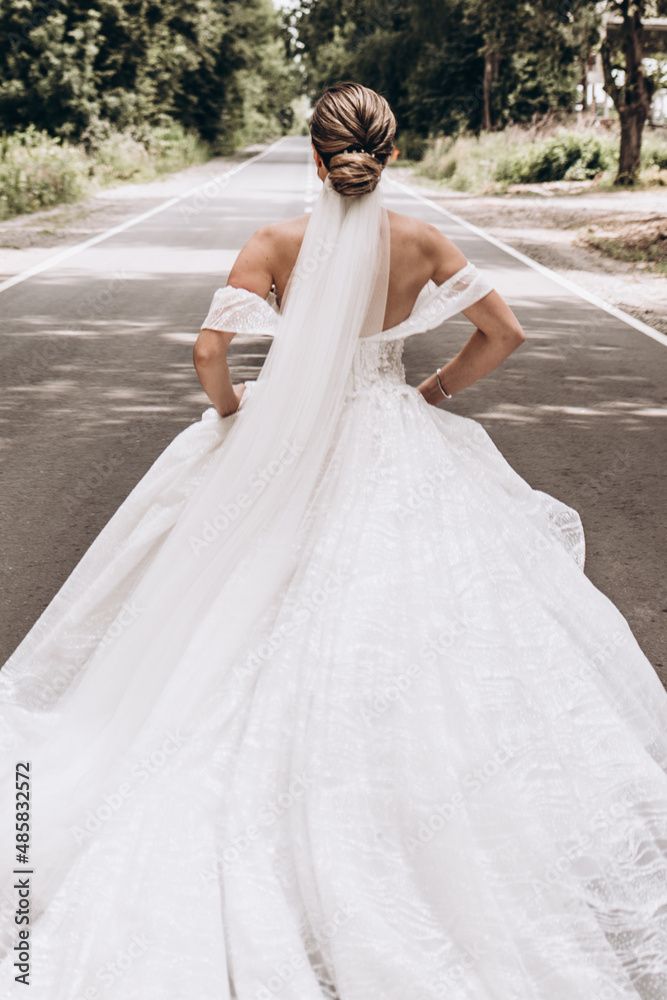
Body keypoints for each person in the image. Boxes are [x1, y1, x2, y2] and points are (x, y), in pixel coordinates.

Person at [1, 81, 666, 1000]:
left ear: (315, 156)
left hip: (282, 441)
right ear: (388, 156)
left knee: (229, 606)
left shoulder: (275, 243)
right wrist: (424, 396)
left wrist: (240, 415)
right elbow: (502, 332)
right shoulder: (421, 242)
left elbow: (207, 352)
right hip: (389, 432)